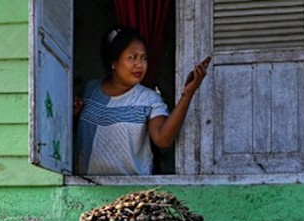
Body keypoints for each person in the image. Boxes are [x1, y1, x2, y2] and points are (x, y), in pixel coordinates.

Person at [74, 26, 211, 176]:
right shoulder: (91, 90)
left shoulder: (148, 99)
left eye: (143, 58)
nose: (140, 65)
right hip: (85, 184)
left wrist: (187, 95)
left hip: (132, 188)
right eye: (132, 57)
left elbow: (162, 139)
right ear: (114, 62)